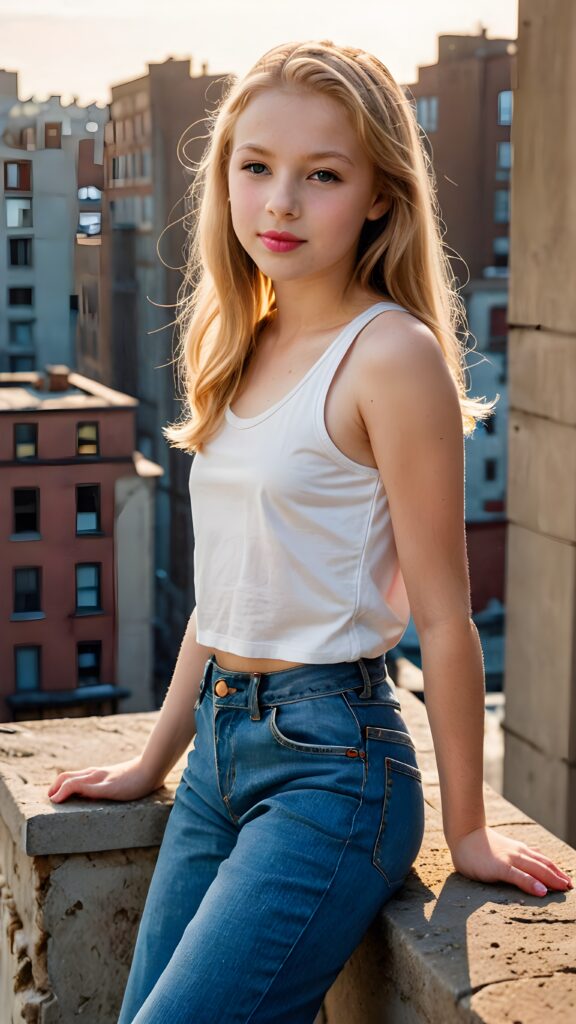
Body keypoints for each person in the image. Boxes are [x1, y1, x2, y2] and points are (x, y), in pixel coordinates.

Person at [47, 39, 572, 1024]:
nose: (279, 203)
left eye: (320, 175)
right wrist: (152, 762)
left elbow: (448, 617)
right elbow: (226, 595)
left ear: (379, 193)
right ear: (226, 178)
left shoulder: (391, 355)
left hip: (335, 767)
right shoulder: (245, 339)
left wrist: (469, 829)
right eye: (256, 167)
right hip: (219, 754)